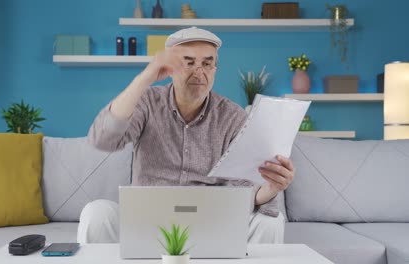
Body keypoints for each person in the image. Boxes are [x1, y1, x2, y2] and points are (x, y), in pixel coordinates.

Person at [77, 27, 294, 246]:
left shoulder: (232, 116)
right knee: (96, 213)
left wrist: (270, 189)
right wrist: (146, 77)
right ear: (169, 69)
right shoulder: (147, 102)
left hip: (211, 225)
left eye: (207, 64)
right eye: (188, 63)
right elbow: (103, 139)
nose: (199, 72)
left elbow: (243, 188)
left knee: (270, 223)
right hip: (147, 222)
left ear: (215, 69)